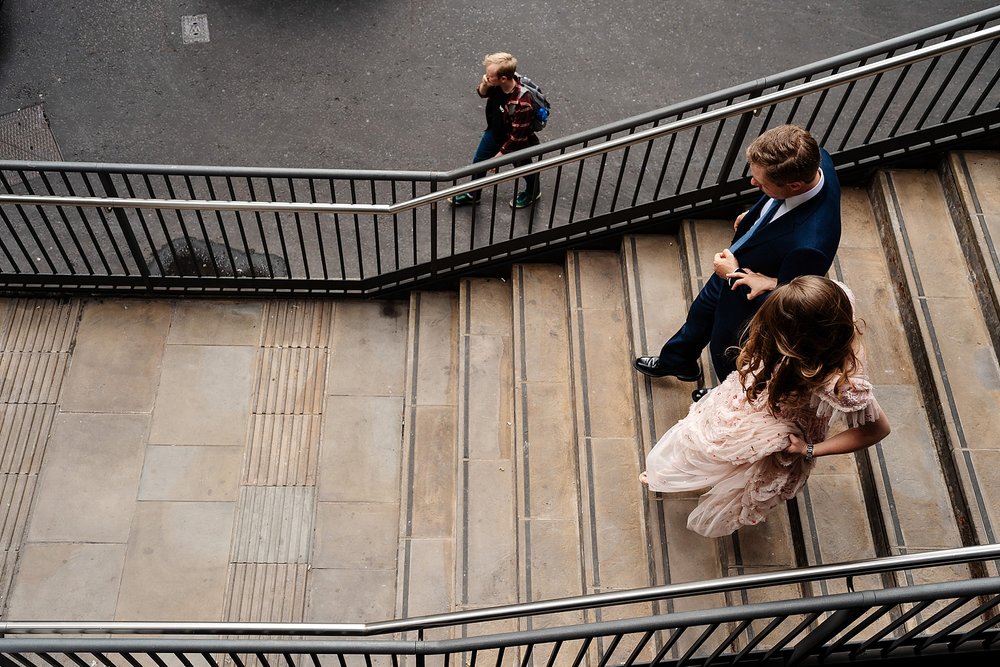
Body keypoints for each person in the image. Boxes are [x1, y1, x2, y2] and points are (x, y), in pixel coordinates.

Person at [639, 276, 890, 538]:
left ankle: (692, 477)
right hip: (752, 394)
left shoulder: (841, 384)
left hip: (782, 428)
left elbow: (876, 430)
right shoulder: (836, 296)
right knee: (712, 439)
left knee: (745, 467)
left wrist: (810, 449)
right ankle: (673, 472)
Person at [634, 125, 841, 397]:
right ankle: (678, 361)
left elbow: (790, 307)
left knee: (726, 350)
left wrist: (742, 276)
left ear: (793, 185)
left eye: (762, 183)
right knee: (700, 314)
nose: (754, 184)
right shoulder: (818, 159)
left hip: (744, 298)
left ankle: (722, 396)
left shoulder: (811, 244)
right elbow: (775, 202)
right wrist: (756, 216)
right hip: (736, 262)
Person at [447, 52, 541, 209]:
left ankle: (533, 192)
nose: (486, 77)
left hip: (515, 141)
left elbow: (517, 138)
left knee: (524, 168)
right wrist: (485, 84)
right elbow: (481, 93)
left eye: (489, 76)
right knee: (479, 162)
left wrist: (498, 158)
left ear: (503, 78)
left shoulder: (522, 103)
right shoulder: (496, 84)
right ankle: (473, 194)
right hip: (494, 132)